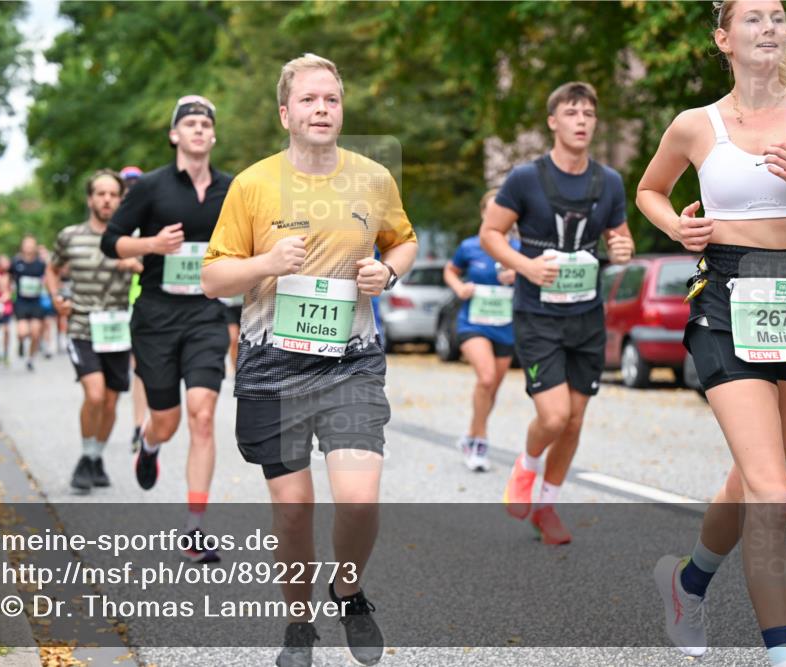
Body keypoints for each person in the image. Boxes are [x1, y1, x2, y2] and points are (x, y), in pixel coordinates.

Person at [201, 53, 418, 667]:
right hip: (272, 365)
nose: (322, 109)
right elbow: (213, 277)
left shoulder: (373, 179)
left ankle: (347, 590)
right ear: (285, 113)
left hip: (350, 362)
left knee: (359, 498)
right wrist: (266, 264)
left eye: (332, 99)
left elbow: (404, 239)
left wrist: (389, 270)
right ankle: (299, 625)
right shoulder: (252, 185)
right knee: (293, 513)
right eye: (309, 100)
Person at [636, 2, 786, 663]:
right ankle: (784, 655)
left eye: (777, 15)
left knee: (751, 477)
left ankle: (687, 581)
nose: (769, 25)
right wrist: (677, 227)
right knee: (772, 489)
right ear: (723, 38)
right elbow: (651, 191)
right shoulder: (695, 126)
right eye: (753, 17)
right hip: (727, 300)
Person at [481, 81, 635, 545]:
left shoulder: (608, 181)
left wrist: (624, 248)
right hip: (537, 314)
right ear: (553, 121)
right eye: (572, 113)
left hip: (586, 314)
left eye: (589, 113)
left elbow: (620, 238)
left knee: (574, 420)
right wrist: (526, 264)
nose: (582, 121)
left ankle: (546, 505)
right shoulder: (526, 178)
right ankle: (525, 469)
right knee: (552, 416)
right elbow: (491, 234)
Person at [102, 95, 232, 563]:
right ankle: (150, 443)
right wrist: (152, 243)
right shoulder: (151, 188)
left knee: (202, 413)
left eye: (205, 124)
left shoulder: (232, 190)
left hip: (205, 314)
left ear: (213, 135)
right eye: (189, 123)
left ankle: (195, 529)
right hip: (156, 318)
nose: (198, 129)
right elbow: (110, 241)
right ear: (175, 135)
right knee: (168, 421)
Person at [47, 169, 142, 492]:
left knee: (112, 403)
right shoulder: (70, 235)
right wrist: (56, 296)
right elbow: (53, 268)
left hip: (117, 330)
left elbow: (151, 267)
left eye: (113, 194)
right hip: (82, 325)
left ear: (120, 199)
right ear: (90, 199)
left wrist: (133, 264)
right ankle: (87, 458)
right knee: (95, 394)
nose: (107, 200)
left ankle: (95, 459)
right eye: (100, 194)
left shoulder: (130, 239)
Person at [443, 188, 519, 472]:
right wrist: (460, 287)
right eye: (493, 209)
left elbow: (538, 278)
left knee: (493, 388)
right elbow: (450, 271)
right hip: (473, 323)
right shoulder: (470, 246)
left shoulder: (520, 249)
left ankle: (471, 435)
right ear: (484, 213)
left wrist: (519, 275)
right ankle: (479, 442)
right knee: (486, 378)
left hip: (506, 325)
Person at [119, 165, 150, 449]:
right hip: (117, 302)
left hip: (145, 298)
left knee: (141, 366)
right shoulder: (116, 219)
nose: (130, 188)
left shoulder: (154, 213)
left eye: (135, 184)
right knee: (134, 366)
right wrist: (125, 261)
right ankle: (137, 423)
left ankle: (140, 425)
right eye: (126, 184)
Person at [11, 235, 47, 371]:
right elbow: (7, 277)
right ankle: (20, 342)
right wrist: (5, 292)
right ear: (22, 246)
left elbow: (48, 277)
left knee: (36, 333)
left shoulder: (41, 264)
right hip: (21, 302)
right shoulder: (16, 263)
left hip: (36, 302)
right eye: (27, 244)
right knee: (23, 332)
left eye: (32, 244)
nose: (29, 247)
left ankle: (30, 359)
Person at [39, 245, 58, 359]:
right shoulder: (35, 268)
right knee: (39, 324)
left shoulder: (51, 269)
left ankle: (49, 345)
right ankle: (41, 342)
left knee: (48, 322)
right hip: (36, 299)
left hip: (47, 298)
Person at [0, 255, 14, 365]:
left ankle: (6, 354)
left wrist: (4, 298)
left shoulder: (10, 276)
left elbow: (10, 292)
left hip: (6, 306)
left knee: (6, 330)